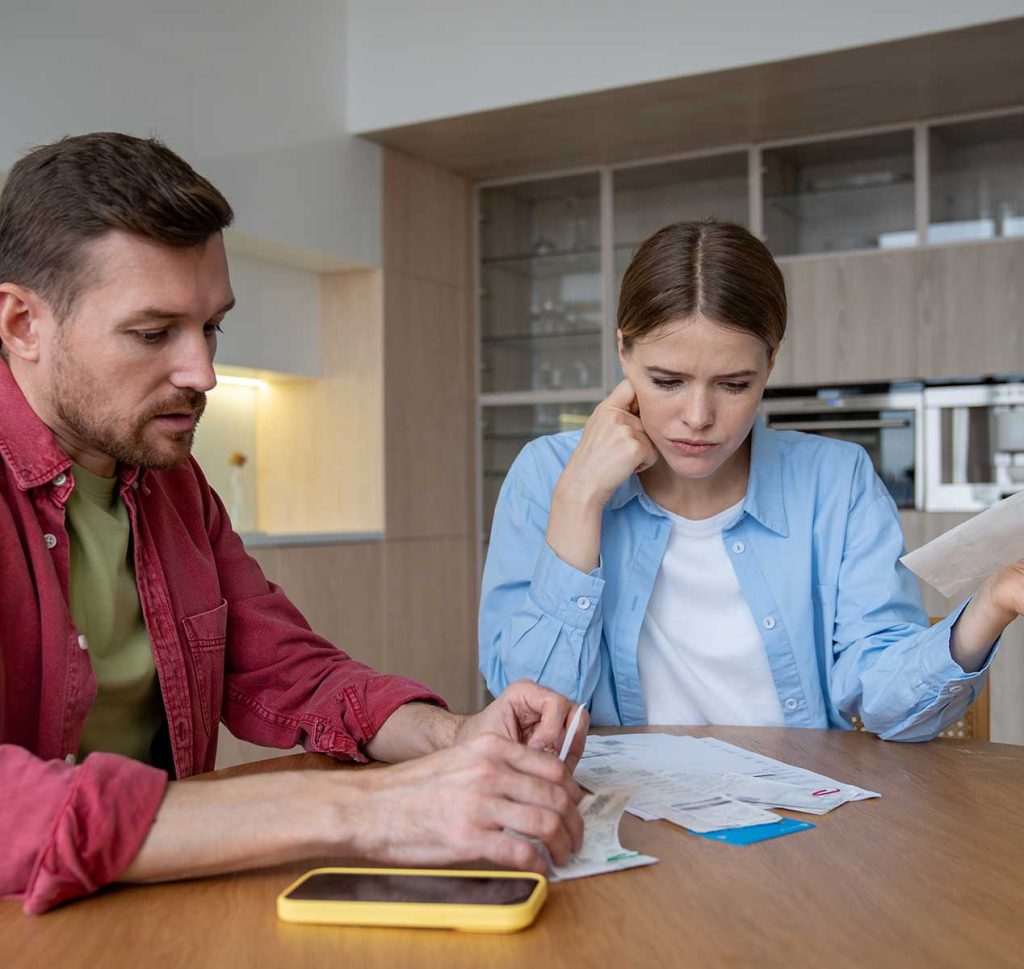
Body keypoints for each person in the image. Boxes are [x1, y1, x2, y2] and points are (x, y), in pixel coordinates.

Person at [0, 132, 588, 922]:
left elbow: (289, 671)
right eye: (153, 333)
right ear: (22, 323)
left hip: (132, 920)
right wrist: (371, 810)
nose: (201, 371)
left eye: (211, 328)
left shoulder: (173, 484)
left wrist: (451, 739)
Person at [480, 220, 1024, 740]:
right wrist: (579, 501)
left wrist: (992, 605)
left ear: (771, 362)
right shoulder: (548, 473)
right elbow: (527, 710)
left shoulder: (837, 480)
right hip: (618, 814)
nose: (698, 416)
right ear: (624, 351)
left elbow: (888, 705)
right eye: (667, 381)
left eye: (734, 384)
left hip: (799, 810)